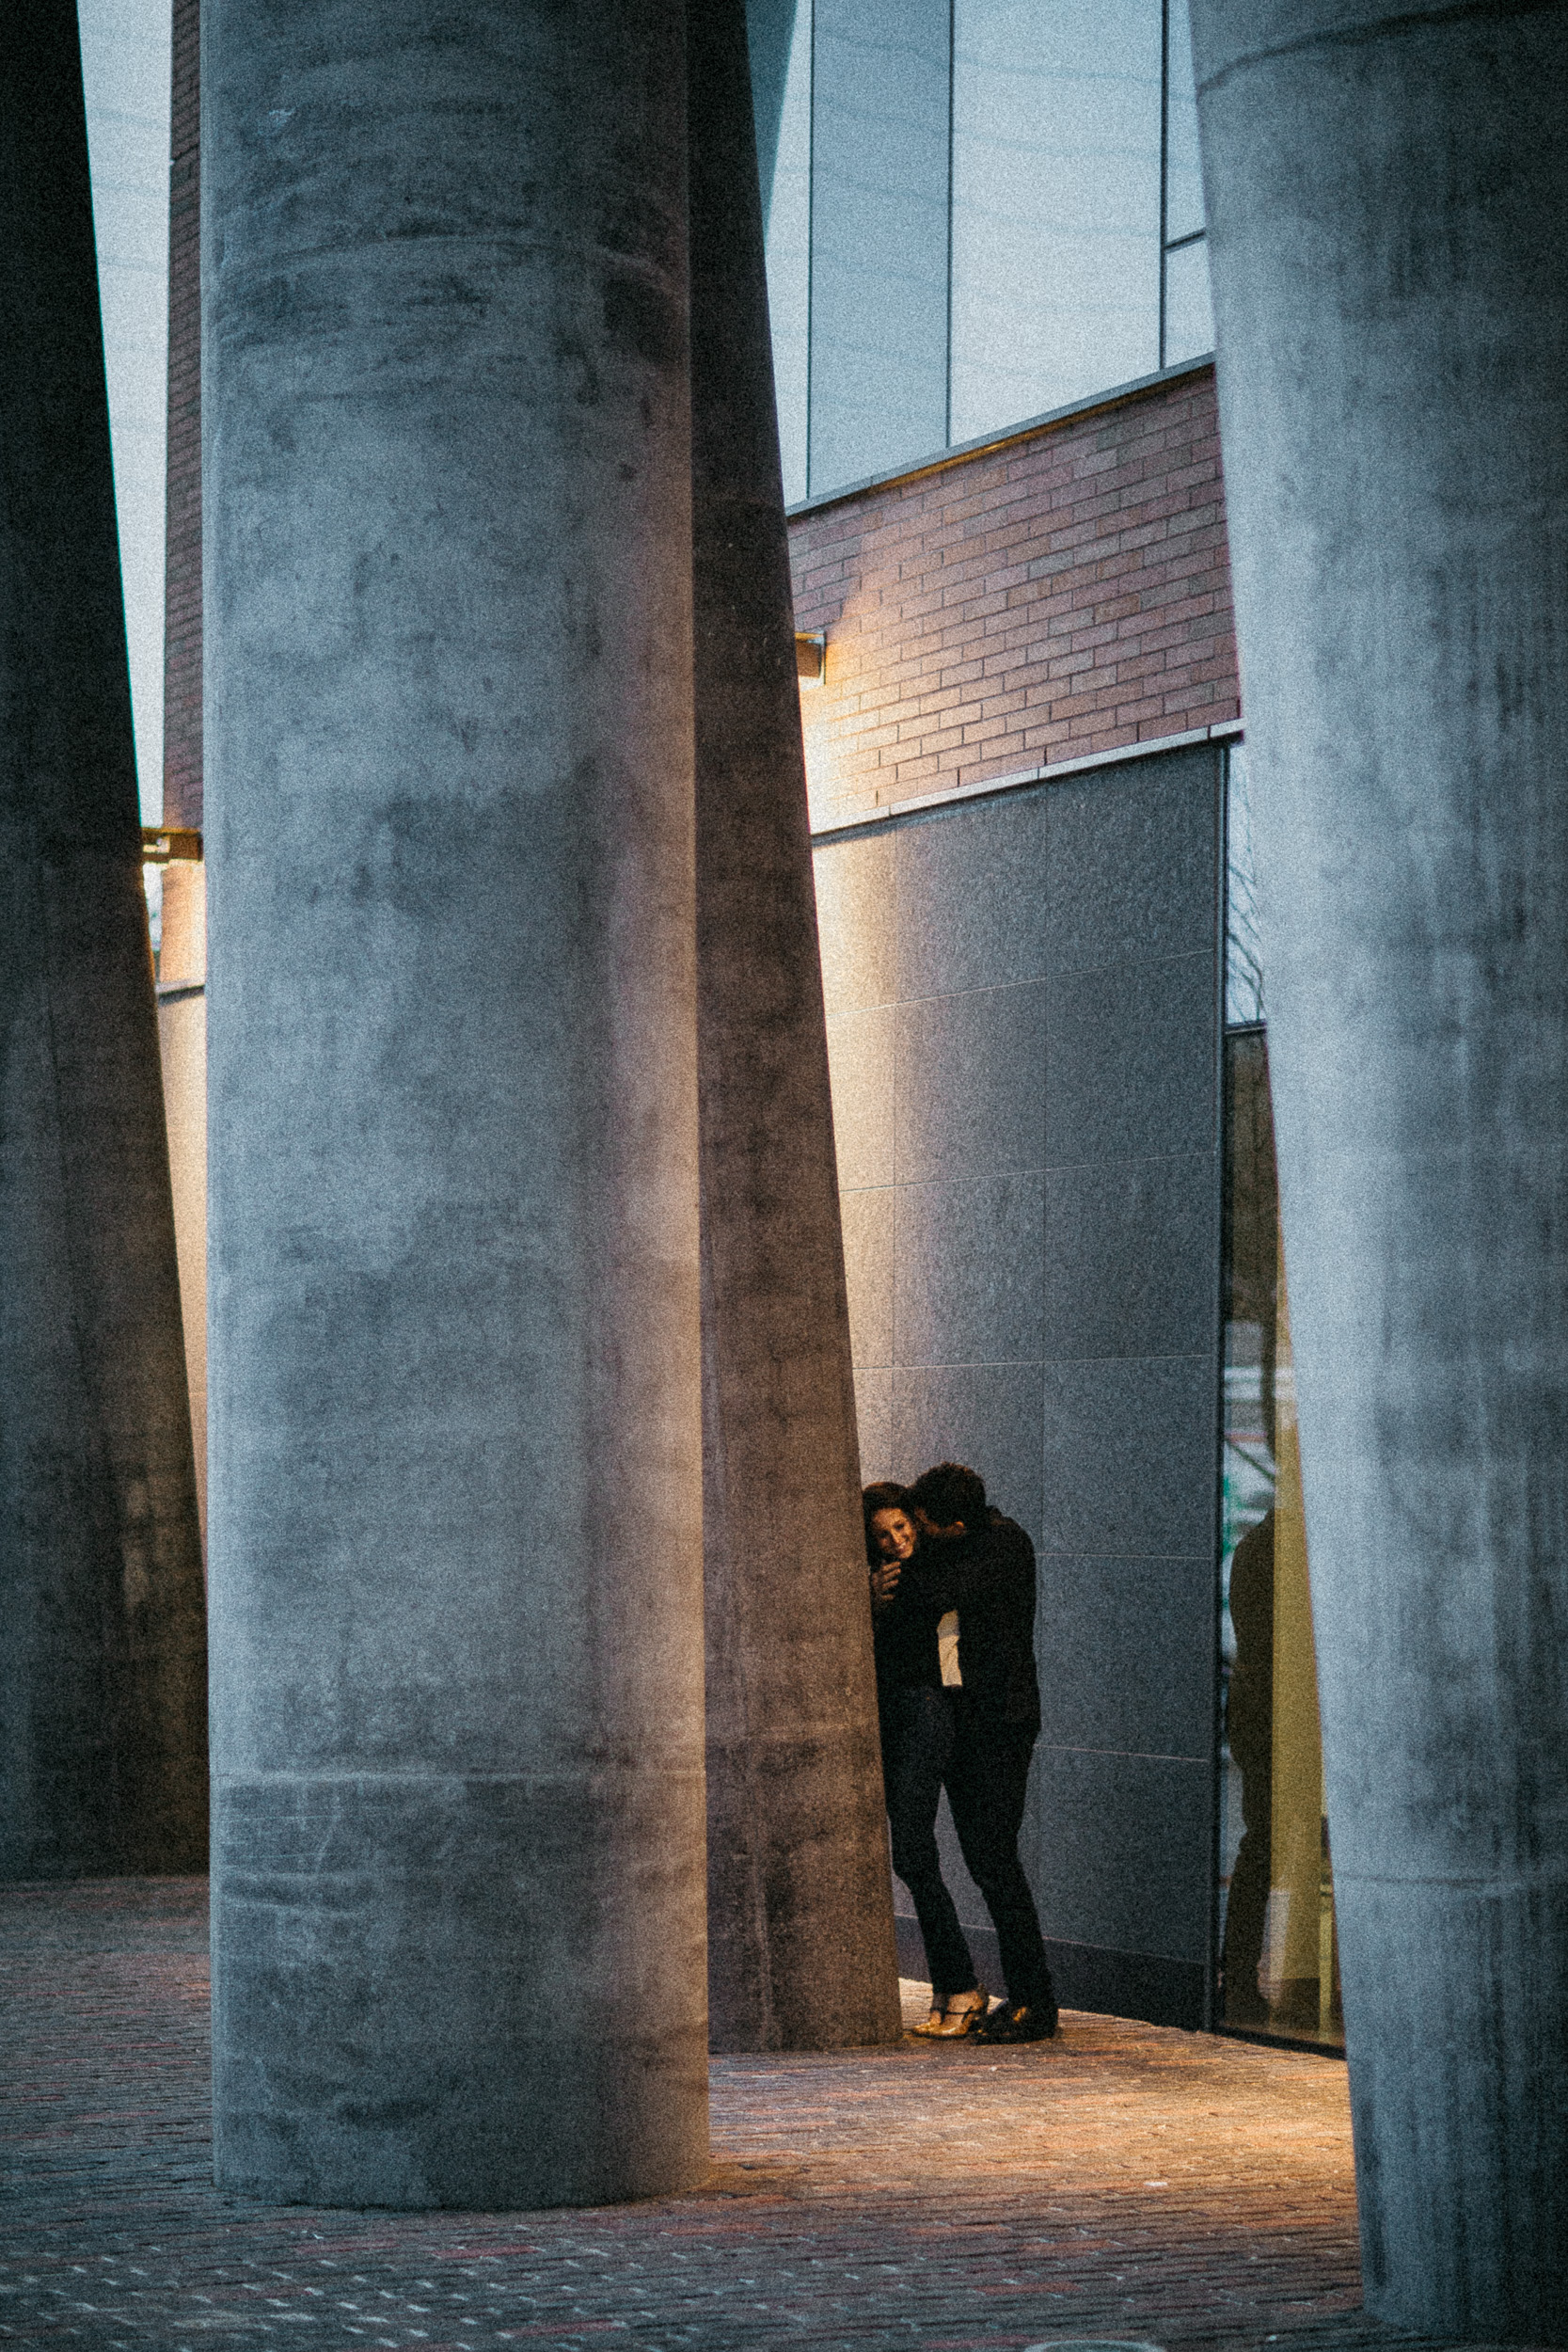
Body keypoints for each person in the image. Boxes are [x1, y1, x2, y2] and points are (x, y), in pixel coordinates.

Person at [900, 1462, 1057, 2042]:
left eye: (922, 1527)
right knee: (985, 1859)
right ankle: (1024, 1995)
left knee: (994, 1859)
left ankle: (1035, 2001)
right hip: (965, 1725)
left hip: (999, 1727)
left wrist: (893, 1570)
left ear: (955, 1525)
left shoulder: (1004, 1546)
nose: (914, 1538)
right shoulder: (964, 1546)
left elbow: (937, 1593)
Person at [863, 1483, 990, 2037]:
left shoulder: (933, 1571)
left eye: (901, 1527)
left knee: (913, 1853)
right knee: (914, 1857)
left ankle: (961, 1986)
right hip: (898, 1718)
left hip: (927, 1716)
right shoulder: (885, 1580)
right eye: (882, 1535)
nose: (895, 1541)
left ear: (917, 1520)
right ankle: (949, 1988)